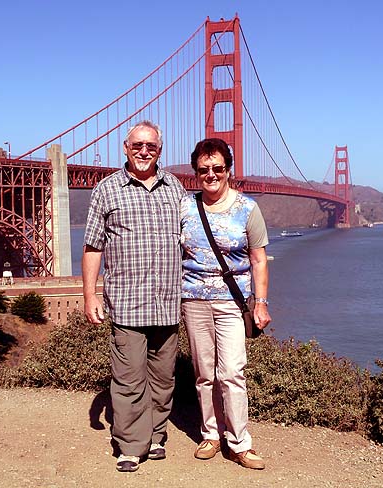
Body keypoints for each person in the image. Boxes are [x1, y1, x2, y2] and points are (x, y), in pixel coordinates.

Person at [82, 120, 187, 473]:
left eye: (151, 146)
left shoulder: (175, 188)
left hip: (169, 302)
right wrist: (89, 295)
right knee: (128, 378)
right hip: (127, 303)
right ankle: (130, 444)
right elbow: (93, 246)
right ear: (125, 148)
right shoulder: (107, 189)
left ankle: (156, 435)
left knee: (162, 377)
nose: (144, 151)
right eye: (137, 145)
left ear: (160, 150)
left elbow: (194, 240)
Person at [180, 137, 271, 470]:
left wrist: (260, 303)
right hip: (193, 300)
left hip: (232, 302)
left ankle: (240, 442)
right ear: (195, 173)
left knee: (232, 372)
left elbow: (259, 260)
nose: (211, 174)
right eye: (204, 169)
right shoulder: (185, 207)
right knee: (204, 373)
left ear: (229, 170)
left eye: (218, 168)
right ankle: (211, 435)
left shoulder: (248, 208)